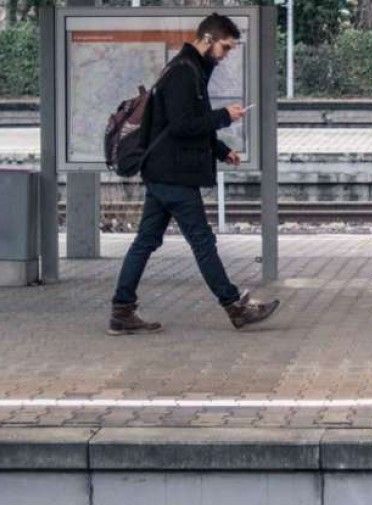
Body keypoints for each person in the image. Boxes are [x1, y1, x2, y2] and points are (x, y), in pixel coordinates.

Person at [109, 13, 279, 335]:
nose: (226, 55)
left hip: (165, 172)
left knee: (145, 241)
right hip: (174, 174)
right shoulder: (183, 74)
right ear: (209, 40)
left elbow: (191, 122)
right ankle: (235, 307)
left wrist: (221, 151)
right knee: (202, 241)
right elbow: (182, 125)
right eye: (225, 48)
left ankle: (121, 310)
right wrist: (224, 116)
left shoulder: (192, 71)